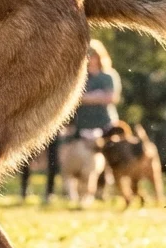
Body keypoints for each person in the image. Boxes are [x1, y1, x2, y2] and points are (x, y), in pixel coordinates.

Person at [22, 39, 122, 203]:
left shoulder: (108, 76)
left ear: (99, 57)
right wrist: (95, 96)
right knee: (81, 162)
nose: (90, 59)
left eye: (93, 56)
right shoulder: (82, 77)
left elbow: (110, 97)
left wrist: (84, 98)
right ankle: (78, 193)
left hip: (105, 124)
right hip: (82, 126)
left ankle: (104, 191)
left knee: (106, 161)